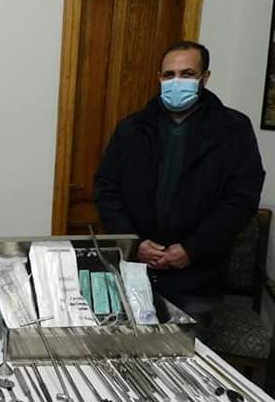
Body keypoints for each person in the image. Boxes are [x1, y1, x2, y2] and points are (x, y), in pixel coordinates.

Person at [94, 41, 265, 330]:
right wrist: (134, 242)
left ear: (204, 78)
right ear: (159, 78)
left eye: (187, 74)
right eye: (169, 75)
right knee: (127, 349)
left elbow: (241, 199)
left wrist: (192, 249)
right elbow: (106, 187)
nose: (176, 82)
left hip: (197, 278)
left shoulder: (233, 129)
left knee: (186, 351)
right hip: (136, 270)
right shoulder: (132, 128)